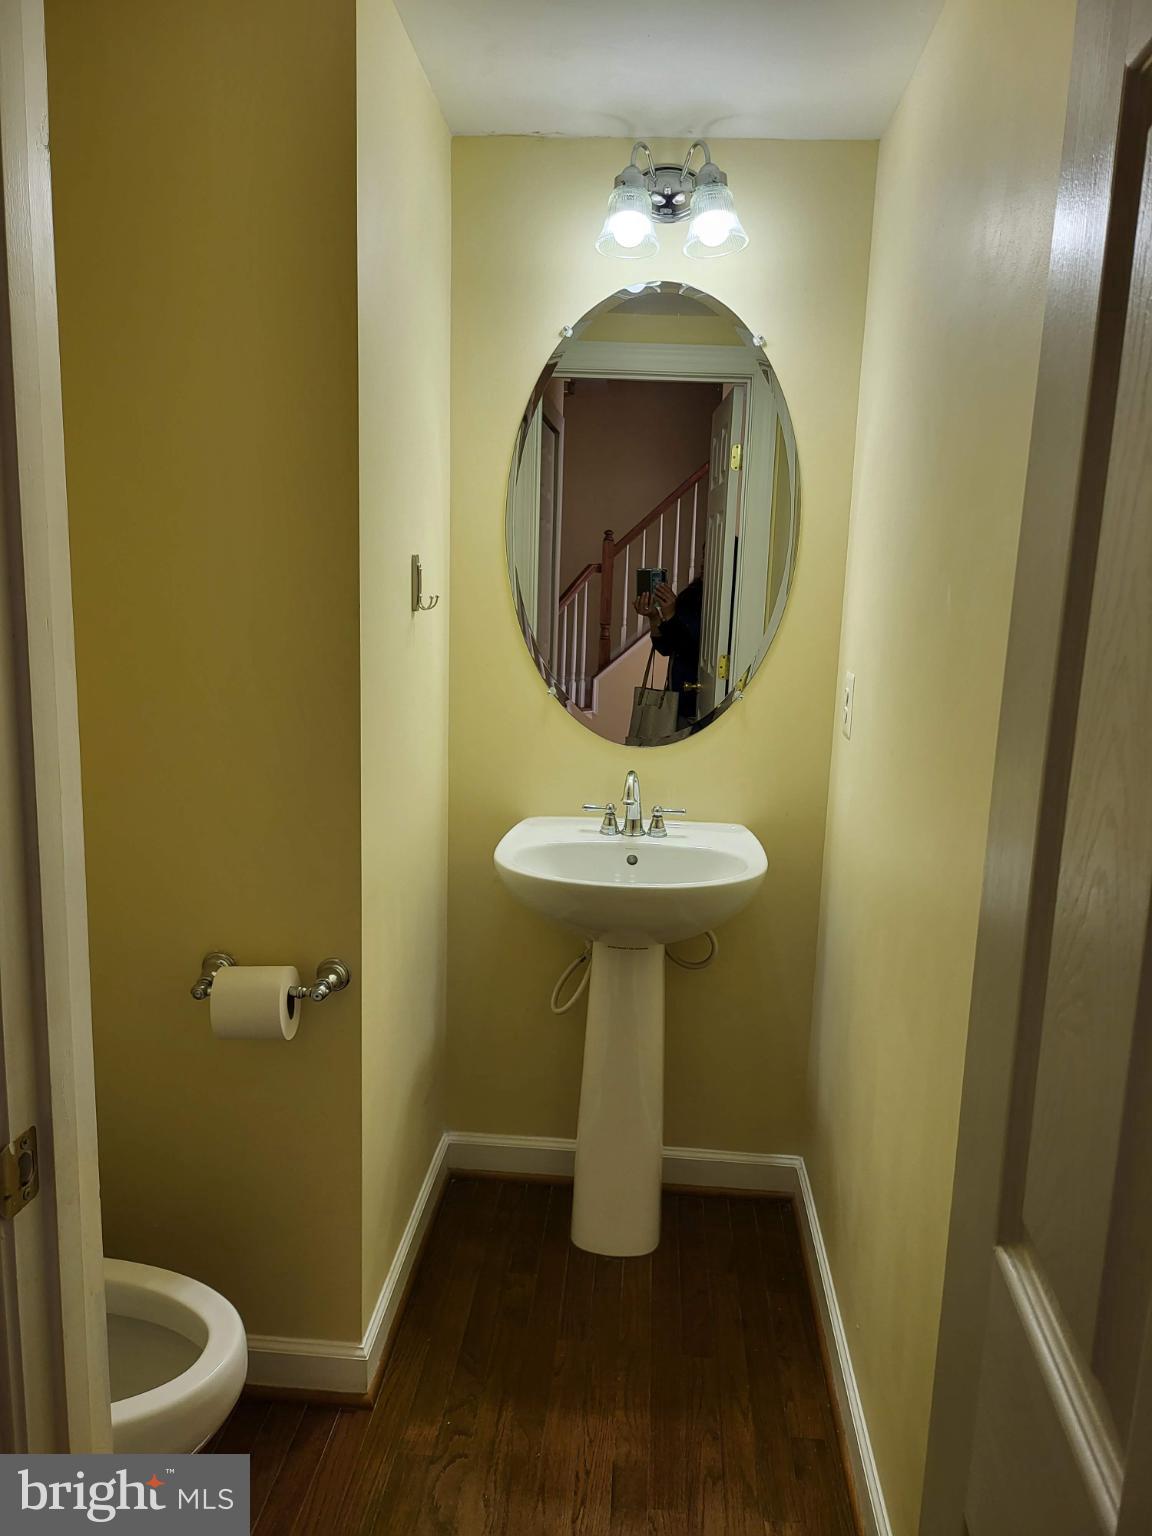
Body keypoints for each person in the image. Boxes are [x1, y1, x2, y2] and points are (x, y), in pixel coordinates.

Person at [634, 575, 703, 727]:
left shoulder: (716, 599)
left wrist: (671, 615)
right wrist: (654, 617)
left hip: (696, 703)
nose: (704, 565)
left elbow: (694, 652)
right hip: (676, 696)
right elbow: (666, 647)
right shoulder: (691, 592)